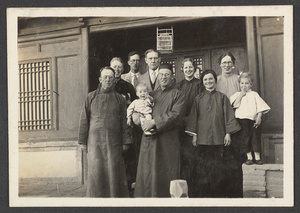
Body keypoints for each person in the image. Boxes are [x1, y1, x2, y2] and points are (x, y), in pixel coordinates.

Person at [185, 69, 241, 198]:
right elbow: (194, 117)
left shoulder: (222, 97)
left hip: (219, 137)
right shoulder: (198, 99)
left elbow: (228, 115)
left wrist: (228, 133)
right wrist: (194, 135)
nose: (208, 81)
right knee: (203, 167)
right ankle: (204, 195)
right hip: (202, 138)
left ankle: (218, 194)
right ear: (202, 82)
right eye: (205, 79)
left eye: (211, 79)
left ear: (215, 81)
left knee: (218, 167)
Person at [78, 66, 132, 197]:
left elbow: (124, 122)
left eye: (111, 78)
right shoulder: (91, 97)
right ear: (100, 79)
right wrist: (82, 142)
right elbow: (84, 120)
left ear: (114, 80)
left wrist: (126, 141)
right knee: (96, 171)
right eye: (105, 77)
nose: (108, 80)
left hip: (114, 141)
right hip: (94, 141)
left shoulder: (120, 99)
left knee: (114, 170)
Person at [134, 63, 186, 197]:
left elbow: (176, 115)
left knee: (167, 171)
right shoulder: (150, 94)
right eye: (161, 74)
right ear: (157, 76)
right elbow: (139, 109)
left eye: (167, 74)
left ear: (172, 77)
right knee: (148, 173)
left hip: (168, 140)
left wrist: (154, 122)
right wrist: (138, 118)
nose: (164, 77)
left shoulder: (178, 95)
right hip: (150, 139)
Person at [215, 52, 244, 198]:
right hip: (219, 123)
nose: (226, 65)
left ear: (233, 64)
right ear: (219, 64)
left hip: (236, 121)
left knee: (234, 158)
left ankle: (235, 194)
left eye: (229, 62)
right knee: (220, 157)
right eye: (224, 62)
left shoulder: (239, 79)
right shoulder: (216, 80)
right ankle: (221, 193)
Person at [110, 57, 138, 196]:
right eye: (114, 67)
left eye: (119, 67)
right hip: (110, 127)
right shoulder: (105, 85)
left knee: (127, 157)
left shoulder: (127, 86)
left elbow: (135, 104)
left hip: (125, 125)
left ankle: (128, 188)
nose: (117, 69)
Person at [176, 58, 204, 196]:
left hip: (196, 124)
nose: (188, 70)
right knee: (183, 159)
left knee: (195, 158)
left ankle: (196, 192)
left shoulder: (200, 84)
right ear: (182, 70)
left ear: (194, 68)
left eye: (190, 67)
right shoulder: (179, 85)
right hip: (181, 125)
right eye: (186, 68)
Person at [230, 73, 271, 165]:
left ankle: (257, 157)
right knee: (244, 138)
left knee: (255, 138)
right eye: (242, 83)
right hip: (242, 121)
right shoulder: (236, 95)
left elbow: (260, 106)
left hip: (253, 120)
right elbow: (235, 105)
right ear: (239, 84)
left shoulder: (254, 94)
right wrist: (241, 95)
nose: (244, 85)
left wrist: (259, 117)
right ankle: (249, 157)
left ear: (251, 84)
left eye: (247, 83)